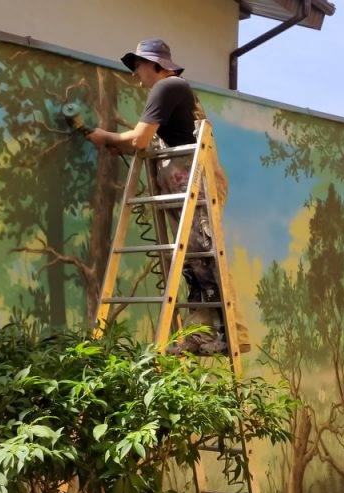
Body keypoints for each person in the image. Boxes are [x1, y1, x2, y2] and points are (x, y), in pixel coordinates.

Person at [85, 39, 251, 355]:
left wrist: (104, 137)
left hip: (195, 185)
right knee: (193, 262)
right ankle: (201, 330)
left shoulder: (168, 87)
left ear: (157, 65)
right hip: (182, 186)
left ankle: (234, 333)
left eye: (140, 67)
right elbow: (147, 140)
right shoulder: (175, 91)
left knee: (206, 254)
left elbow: (140, 138)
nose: (137, 76)